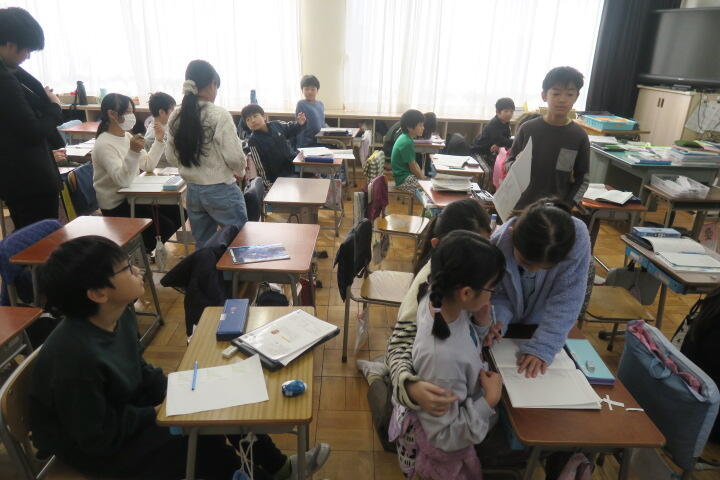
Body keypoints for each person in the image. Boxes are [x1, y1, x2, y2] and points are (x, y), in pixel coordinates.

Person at [29, 236, 331, 480]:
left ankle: (280, 468)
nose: (139, 270)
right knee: (201, 441)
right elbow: (96, 437)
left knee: (219, 401)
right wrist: (159, 412)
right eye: (127, 269)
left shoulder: (118, 317)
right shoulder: (75, 359)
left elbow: (138, 370)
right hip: (100, 449)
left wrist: (180, 391)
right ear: (97, 294)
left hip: (125, 415)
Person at [391, 230, 505, 479]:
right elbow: (445, 436)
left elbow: (466, 340)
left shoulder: (438, 298)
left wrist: (481, 324)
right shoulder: (443, 360)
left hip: (467, 393)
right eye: (491, 288)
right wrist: (489, 401)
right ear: (466, 293)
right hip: (451, 446)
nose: (492, 294)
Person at [382, 199, 492, 410]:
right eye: (470, 252)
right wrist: (410, 387)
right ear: (437, 245)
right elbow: (397, 346)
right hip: (427, 395)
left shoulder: (468, 276)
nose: (482, 261)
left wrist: (482, 323)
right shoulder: (426, 288)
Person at [488, 199, 591, 378]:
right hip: (510, 331)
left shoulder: (576, 239)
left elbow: (567, 299)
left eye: (545, 267)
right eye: (525, 263)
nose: (533, 270)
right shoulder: (499, 243)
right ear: (513, 235)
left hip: (546, 326)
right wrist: (498, 322)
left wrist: (544, 346)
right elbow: (499, 294)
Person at [166, 60, 248, 248]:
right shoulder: (219, 114)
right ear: (212, 84)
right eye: (216, 87)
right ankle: (231, 269)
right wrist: (241, 172)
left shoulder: (176, 115)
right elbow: (235, 157)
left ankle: (209, 269)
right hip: (221, 190)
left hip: (193, 191)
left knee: (204, 245)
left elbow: (171, 156)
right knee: (238, 242)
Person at [0, 7, 65, 229]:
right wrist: (55, 107)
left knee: (33, 237)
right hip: (29, 179)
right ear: (10, 44)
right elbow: (32, 131)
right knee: (41, 239)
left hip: (18, 179)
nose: (27, 56)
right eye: (26, 49)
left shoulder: (9, 71)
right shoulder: (4, 79)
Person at [91, 93, 181, 253]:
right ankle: (144, 255)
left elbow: (148, 165)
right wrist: (133, 152)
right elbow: (123, 181)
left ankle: (154, 253)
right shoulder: (104, 144)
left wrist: (159, 141)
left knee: (179, 213)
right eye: (127, 112)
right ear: (112, 114)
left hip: (133, 196)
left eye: (132, 111)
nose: (131, 116)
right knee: (165, 227)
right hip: (116, 205)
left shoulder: (126, 136)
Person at [505, 66, 590, 209]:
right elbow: (508, 163)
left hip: (556, 209)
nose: (562, 100)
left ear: (576, 97)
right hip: (522, 207)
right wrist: (515, 166)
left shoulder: (579, 136)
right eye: (556, 93)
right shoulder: (528, 129)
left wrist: (568, 204)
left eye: (570, 94)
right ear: (544, 95)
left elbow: (583, 178)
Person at [242, 103, 306, 183]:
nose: (253, 121)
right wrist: (268, 184)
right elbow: (260, 166)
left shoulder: (276, 125)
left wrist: (299, 124)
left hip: (294, 165)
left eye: (255, 116)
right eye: (248, 119)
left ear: (264, 117)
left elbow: (289, 128)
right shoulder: (253, 141)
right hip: (279, 177)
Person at [391, 109, 426, 193]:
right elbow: (413, 168)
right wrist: (423, 180)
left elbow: (414, 163)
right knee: (428, 191)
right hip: (403, 180)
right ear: (410, 127)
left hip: (404, 177)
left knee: (428, 184)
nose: (423, 128)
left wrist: (422, 177)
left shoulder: (405, 137)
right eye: (420, 125)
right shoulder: (407, 142)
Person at [144, 91, 176, 167]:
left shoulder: (166, 124)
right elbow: (170, 157)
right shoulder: (152, 135)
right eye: (172, 110)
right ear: (161, 112)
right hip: (164, 170)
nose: (174, 113)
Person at [295, 74, 324, 148]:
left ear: (317, 90)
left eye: (313, 89)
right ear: (302, 90)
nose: (310, 92)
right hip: (307, 144)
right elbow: (300, 127)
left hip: (321, 140)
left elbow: (322, 123)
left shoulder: (320, 104)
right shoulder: (301, 104)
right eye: (306, 89)